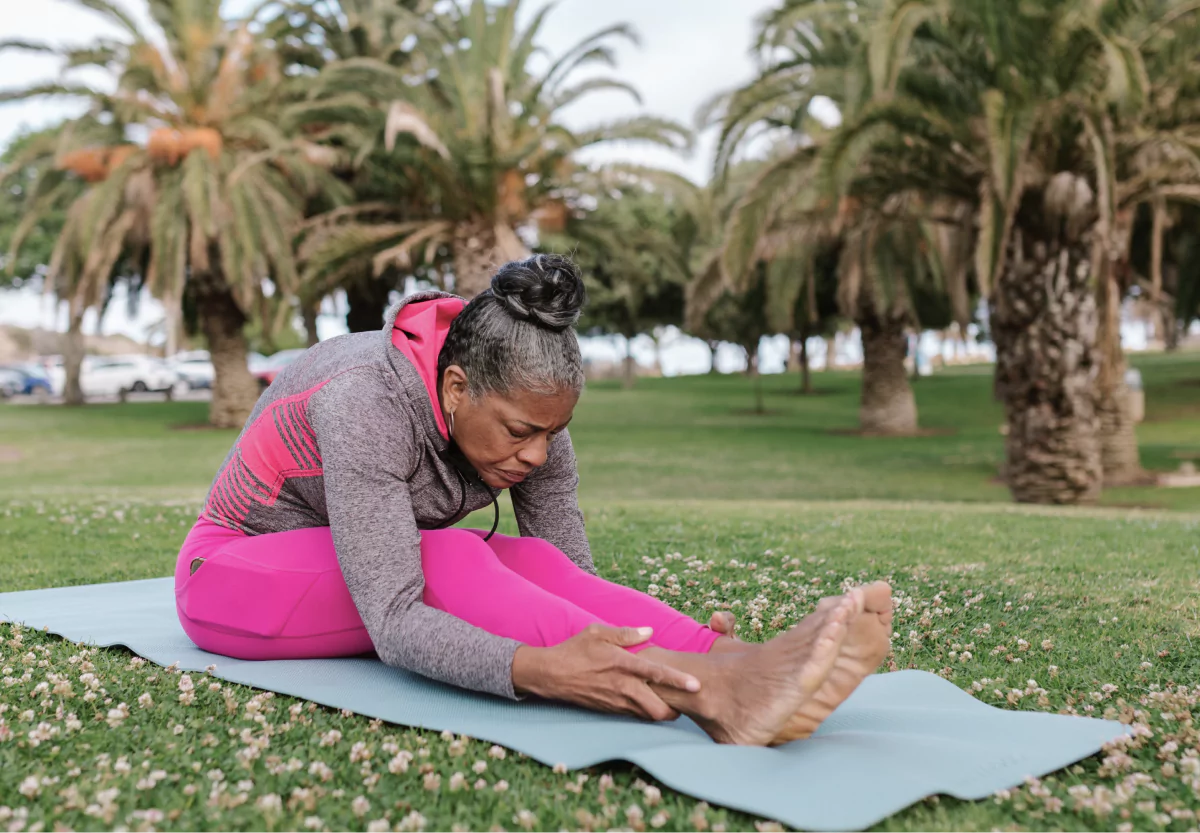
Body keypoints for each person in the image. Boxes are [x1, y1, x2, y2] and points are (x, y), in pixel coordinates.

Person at [173, 255, 892, 746]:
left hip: (346, 568)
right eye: (522, 433)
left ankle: (735, 660)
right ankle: (713, 693)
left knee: (517, 558)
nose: (538, 454)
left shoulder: (527, 402)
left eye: (554, 433)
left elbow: (559, 572)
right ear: (456, 389)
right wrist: (545, 668)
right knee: (452, 553)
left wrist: (647, 632)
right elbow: (394, 617)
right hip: (231, 580)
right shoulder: (367, 400)